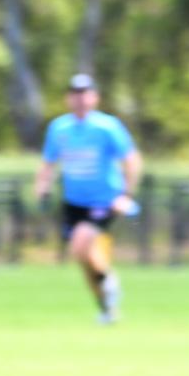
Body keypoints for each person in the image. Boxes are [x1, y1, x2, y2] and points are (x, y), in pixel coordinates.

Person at [34, 73, 142, 325]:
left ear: (94, 97)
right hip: (73, 203)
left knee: (80, 245)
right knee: (83, 259)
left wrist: (126, 195)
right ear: (68, 98)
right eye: (75, 93)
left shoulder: (107, 127)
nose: (80, 99)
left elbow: (132, 160)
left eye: (85, 93)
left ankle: (109, 282)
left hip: (104, 201)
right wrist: (42, 187)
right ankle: (106, 306)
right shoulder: (59, 128)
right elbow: (48, 163)